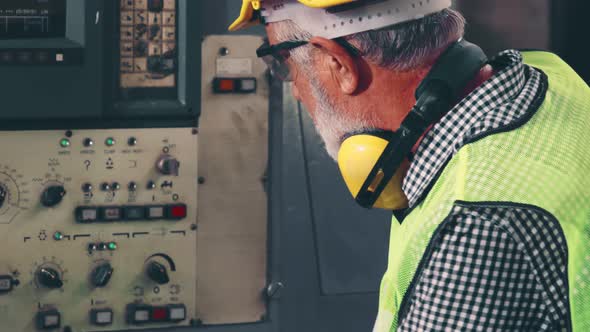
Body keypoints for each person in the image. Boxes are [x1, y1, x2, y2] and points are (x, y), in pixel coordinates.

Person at [230, 0, 590, 331]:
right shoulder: (551, 78)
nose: (294, 89)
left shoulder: (474, 224)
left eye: (285, 63)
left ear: (338, 63)